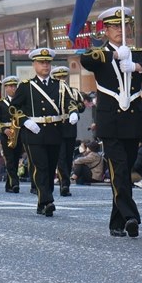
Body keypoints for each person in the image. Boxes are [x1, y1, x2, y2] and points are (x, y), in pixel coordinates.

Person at [79, 5, 142, 237]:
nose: (120, 30)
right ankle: (131, 216)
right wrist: (115, 55)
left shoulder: (136, 53)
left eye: (123, 26)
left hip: (132, 122)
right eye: (113, 26)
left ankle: (116, 222)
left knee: (124, 169)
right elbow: (87, 60)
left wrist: (139, 66)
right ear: (105, 31)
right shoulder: (101, 54)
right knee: (118, 170)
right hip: (110, 123)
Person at [10, 47, 80, 216]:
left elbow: (70, 102)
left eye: (48, 63)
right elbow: (14, 107)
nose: (45, 66)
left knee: (50, 168)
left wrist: (73, 112)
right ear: (34, 64)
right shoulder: (26, 86)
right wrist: (24, 120)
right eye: (42, 63)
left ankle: (44, 200)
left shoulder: (60, 85)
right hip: (34, 132)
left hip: (55, 131)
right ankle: (46, 201)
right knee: (40, 166)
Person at [52, 65, 86, 197]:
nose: (62, 80)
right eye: (59, 77)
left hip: (70, 126)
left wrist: (75, 107)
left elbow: (82, 106)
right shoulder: (52, 92)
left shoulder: (74, 92)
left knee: (68, 156)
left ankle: (65, 181)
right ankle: (64, 184)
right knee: (60, 157)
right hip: (57, 126)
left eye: (63, 77)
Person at [0, 75, 24, 193]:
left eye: (15, 86)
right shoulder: (1, 103)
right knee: (9, 159)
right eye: (11, 86)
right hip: (6, 133)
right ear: (6, 88)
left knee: (16, 159)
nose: (14, 88)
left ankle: (9, 184)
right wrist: (4, 129)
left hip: (19, 133)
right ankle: (15, 183)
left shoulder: (20, 102)